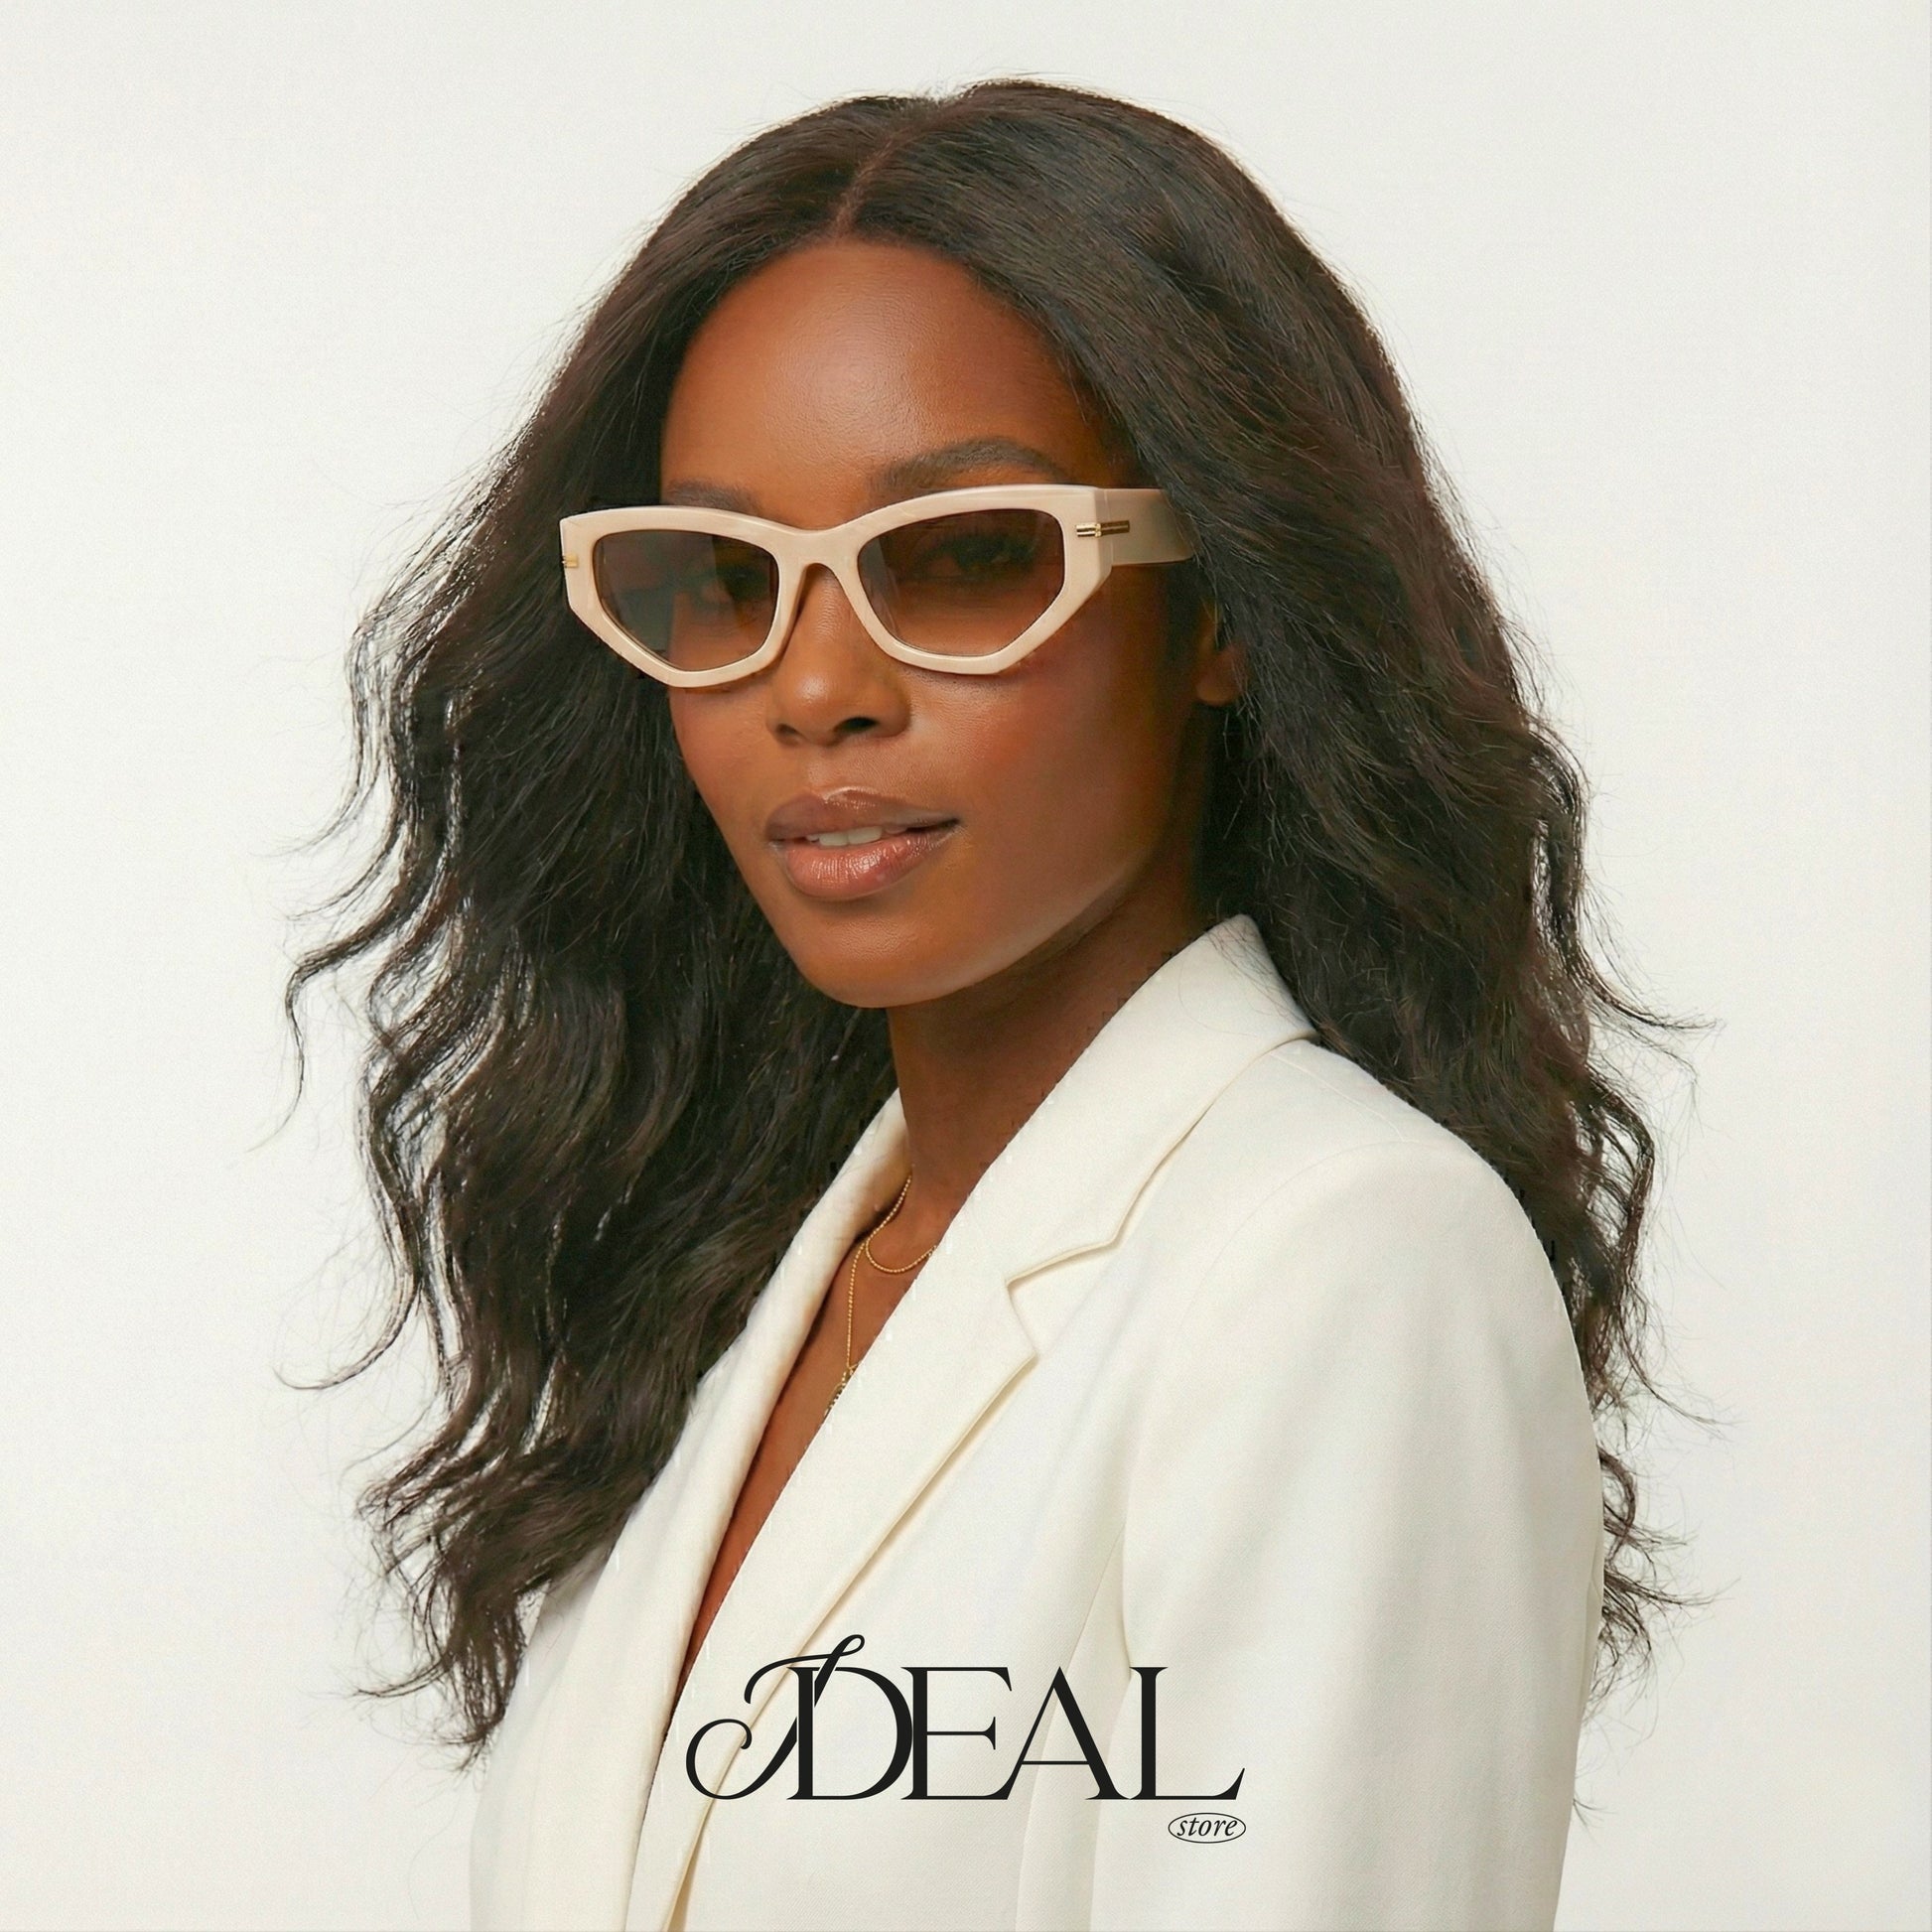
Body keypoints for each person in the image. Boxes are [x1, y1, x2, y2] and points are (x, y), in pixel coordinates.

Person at [290, 77, 1670, 1932]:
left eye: (961, 557)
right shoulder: (749, 1285)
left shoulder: (1343, 1261)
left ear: (1217, 610)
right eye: (724, 580)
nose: (817, 688)